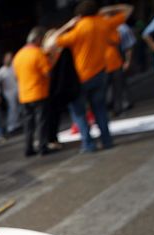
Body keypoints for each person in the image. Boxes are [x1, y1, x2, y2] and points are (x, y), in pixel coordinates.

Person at [49, 2, 134, 153]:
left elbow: (50, 43)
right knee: (100, 109)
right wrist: (107, 9)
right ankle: (107, 140)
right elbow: (128, 10)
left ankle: (88, 144)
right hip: (100, 73)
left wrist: (68, 25)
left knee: (79, 113)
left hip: (80, 78)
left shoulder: (79, 28)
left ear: (79, 14)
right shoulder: (103, 23)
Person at [13, 27, 53, 157]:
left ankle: (28, 148)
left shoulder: (18, 55)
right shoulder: (38, 53)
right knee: (41, 122)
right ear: (38, 39)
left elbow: (16, 75)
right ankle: (42, 146)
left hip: (24, 95)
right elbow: (47, 73)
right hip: (39, 93)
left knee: (28, 124)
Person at [0, 52, 21, 135]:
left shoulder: (14, 67)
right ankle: (11, 126)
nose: (9, 59)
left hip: (17, 89)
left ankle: (17, 124)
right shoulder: (0, 72)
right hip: (8, 92)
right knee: (12, 108)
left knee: (19, 108)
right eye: (8, 58)